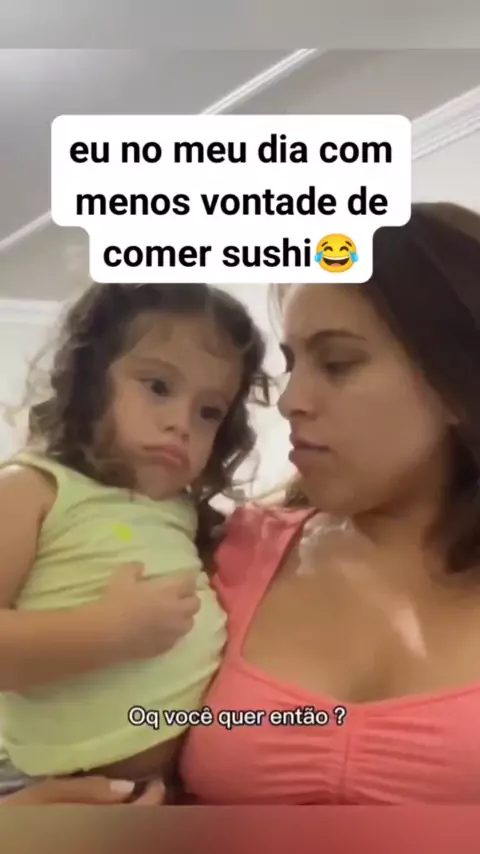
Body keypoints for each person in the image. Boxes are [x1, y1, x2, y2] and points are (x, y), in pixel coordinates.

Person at [5, 199, 480, 805]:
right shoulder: (222, 547)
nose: (290, 402)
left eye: (338, 364)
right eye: (292, 364)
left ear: (456, 381)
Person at [0, 281, 268, 786]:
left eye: (209, 411)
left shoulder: (177, 512)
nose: (181, 423)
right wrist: (108, 631)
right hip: (56, 790)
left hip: (171, 787)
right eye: (158, 386)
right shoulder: (32, 489)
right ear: (89, 380)